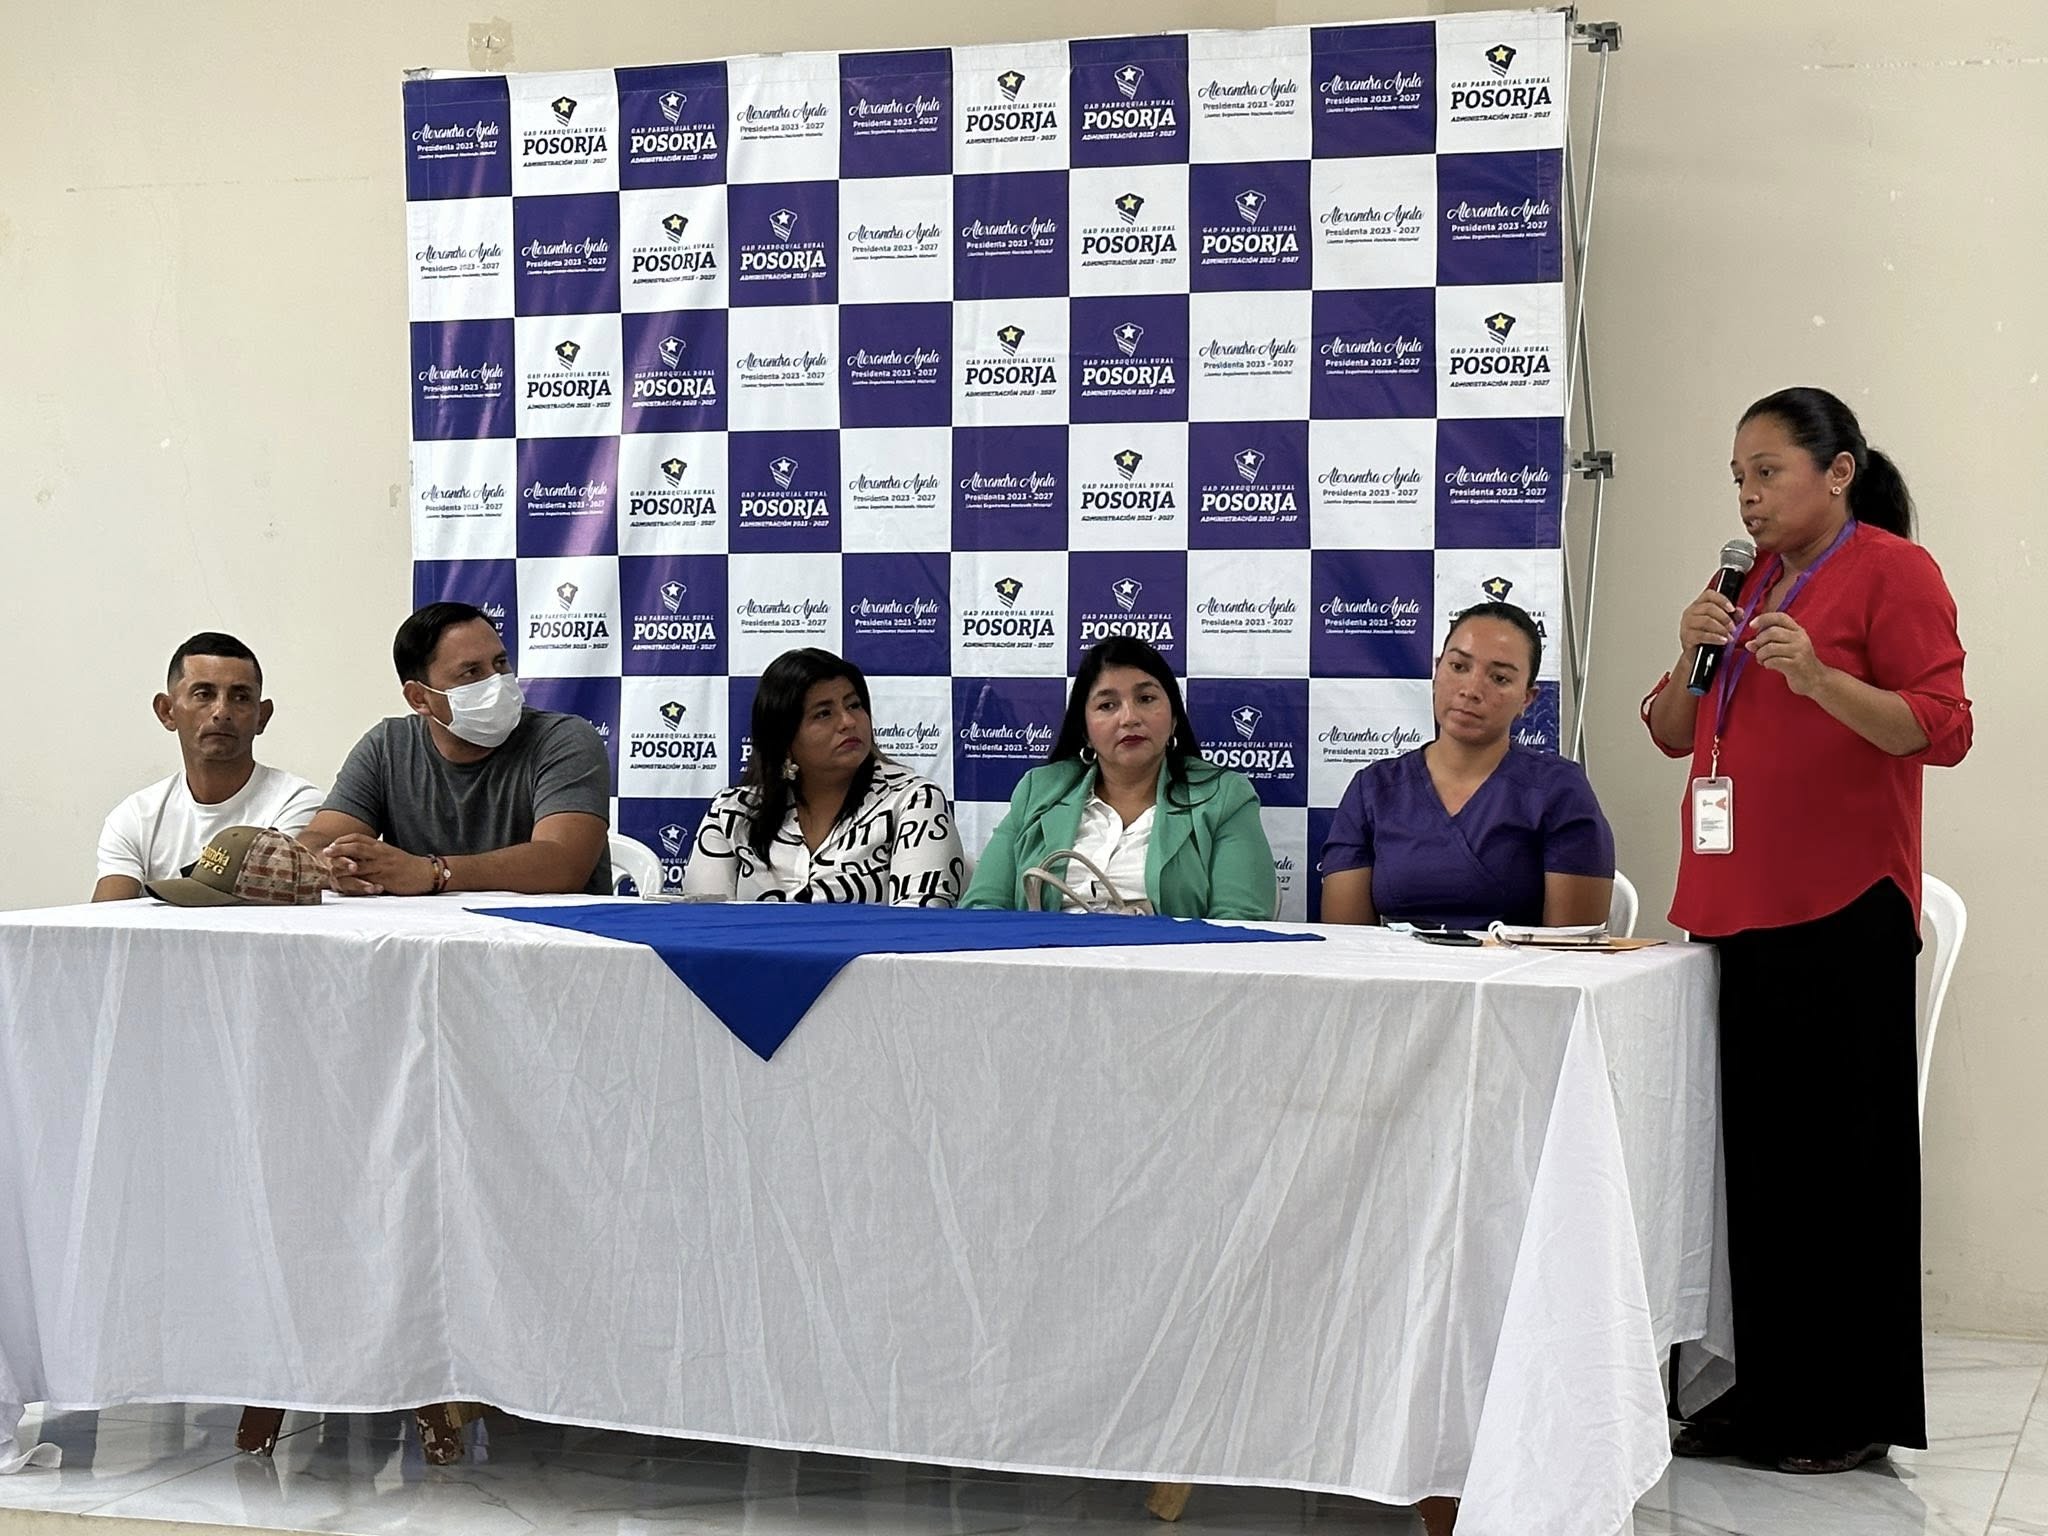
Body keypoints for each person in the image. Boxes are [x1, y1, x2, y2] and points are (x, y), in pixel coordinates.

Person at [1643, 387, 1971, 1474]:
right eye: (1737, 477)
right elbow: (1670, 730)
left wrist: (1820, 679)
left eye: (1767, 471)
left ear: (1836, 473)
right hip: (1734, 903)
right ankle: (1765, 1393)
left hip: (1841, 909)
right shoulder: (1740, 581)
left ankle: (1846, 1411)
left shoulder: (1893, 570)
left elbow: (1942, 728)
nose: (1747, 495)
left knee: (1841, 1170)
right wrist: (1688, 649)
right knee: (1758, 1169)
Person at [1319, 602, 1614, 931]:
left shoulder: (1560, 790)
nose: (1471, 690)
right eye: (1458, 667)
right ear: (1436, 671)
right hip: (1398, 965)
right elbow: (1348, 942)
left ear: (1526, 700)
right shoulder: (1373, 789)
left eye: (1499, 678)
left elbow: (1571, 947)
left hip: (1520, 966)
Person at [297, 601, 611, 899]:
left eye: (500, 663)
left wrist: (433, 872)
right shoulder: (388, 746)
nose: (497, 681)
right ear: (419, 698)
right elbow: (314, 842)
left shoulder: (563, 739)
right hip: (428, 933)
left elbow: (563, 864)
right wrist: (334, 864)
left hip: (554, 932)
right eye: (471, 672)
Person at [961, 636, 1276, 919]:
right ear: (1085, 730)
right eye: (1107, 705)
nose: (1129, 718)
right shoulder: (1038, 790)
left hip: (1169, 961)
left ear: (1174, 718)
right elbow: (982, 908)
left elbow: (1239, 920)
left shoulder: (1223, 796)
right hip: (1045, 959)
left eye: (1146, 699)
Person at [681, 648, 963, 904]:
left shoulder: (912, 800)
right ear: (784, 737)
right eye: (824, 714)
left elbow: (921, 923)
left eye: (854, 705)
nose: (848, 722)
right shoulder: (733, 812)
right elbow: (702, 922)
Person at [93, 633, 323, 901]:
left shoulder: (296, 804)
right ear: (167, 711)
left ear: (262, 717)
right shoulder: (136, 816)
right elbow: (104, 918)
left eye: (240, 697)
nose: (221, 711)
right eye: (204, 694)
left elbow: (269, 913)